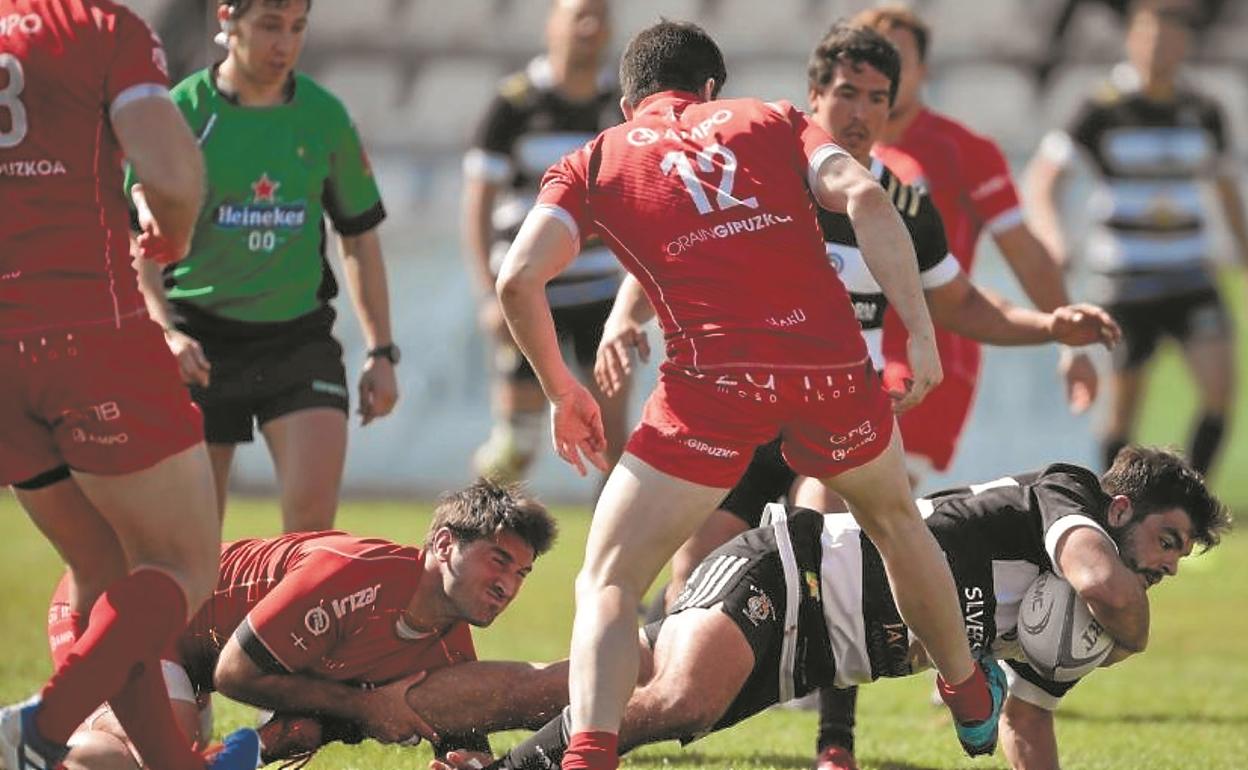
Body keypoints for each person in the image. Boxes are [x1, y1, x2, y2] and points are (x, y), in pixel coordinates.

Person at [497, 20, 1009, 769]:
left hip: (713, 387)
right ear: (710, 89)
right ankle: (967, 695)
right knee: (899, 526)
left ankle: (590, 755)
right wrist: (923, 338)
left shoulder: (595, 160)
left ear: (626, 100)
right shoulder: (770, 117)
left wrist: (560, 390)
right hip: (831, 374)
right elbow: (867, 198)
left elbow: (516, 280)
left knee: (609, 578)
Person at [601, 23, 1120, 618]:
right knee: (692, 575)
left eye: (878, 98)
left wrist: (1051, 326)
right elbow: (682, 245)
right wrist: (623, 317)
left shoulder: (902, 206)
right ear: (814, 96)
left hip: (837, 411)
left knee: (820, 546)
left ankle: (841, 708)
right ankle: (676, 696)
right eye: (847, 93)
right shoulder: (761, 174)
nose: (862, 112)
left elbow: (964, 305)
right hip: (747, 408)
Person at [433, 446, 1228, 770]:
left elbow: (1026, 720)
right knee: (677, 700)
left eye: (1180, 557)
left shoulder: (1081, 635)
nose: (1166, 564)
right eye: (1168, 539)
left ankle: (393, 707)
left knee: (588, 687)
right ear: (1120, 508)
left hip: (812, 651)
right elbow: (1103, 583)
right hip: (790, 571)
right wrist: (1137, 636)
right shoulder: (1070, 495)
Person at [0, 0, 260, 768]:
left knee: (102, 571)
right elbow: (173, 176)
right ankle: (38, 732)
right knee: (182, 564)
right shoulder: (98, 28)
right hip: (88, 325)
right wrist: (171, 234)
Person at [43, 480, 563, 770]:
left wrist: (466, 764)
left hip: (188, 656)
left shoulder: (449, 642)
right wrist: (364, 706)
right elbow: (235, 674)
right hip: (122, 602)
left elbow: (460, 740)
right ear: (445, 545)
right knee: (148, 760)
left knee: (272, 734)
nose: (508, 586)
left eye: (521, 573)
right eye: (498, 561)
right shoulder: (352, 574)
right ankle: (26, 743)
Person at [132, 0, 398, 532]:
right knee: (192, 542)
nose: (285, 44)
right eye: (270, 26)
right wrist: (164, 332)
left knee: (310, 540)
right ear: (227, 21)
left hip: (297, 341)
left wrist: (381, 352)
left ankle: (275, 619)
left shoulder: (324, 116)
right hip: (198, 341)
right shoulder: (182, 112)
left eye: (297, 28)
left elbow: (360, 240)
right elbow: (139, 244)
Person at [848, 4, 1100, 487]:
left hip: (929, 355)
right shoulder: (831, 151)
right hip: (844, 350)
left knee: (866, 504)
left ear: (924, 69)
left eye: (898, 58)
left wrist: (1071, 343)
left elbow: (1024, 250)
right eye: (873, 58)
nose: (886, 72)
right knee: (820, 514)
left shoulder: (964, 151)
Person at [1026, 0, 1248, 478]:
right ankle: (1116, 511)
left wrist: (1244, 253)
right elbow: (1043, 180)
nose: (1158, 48)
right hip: (1125, 278)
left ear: (1183, 44)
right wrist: (1052, 236)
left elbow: (1226, 187)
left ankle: (1189, 509)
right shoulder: (1102, 107)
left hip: (1190, 273)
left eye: (1169, 38)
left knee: (1220, 390)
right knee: (1122, 409)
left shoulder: (1203, 109)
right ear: (1131, 40)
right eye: (1148, 37)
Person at [462, 0, 629, 486]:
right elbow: (477, 204)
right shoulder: (513, 105)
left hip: (599, 290)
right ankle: (476, 543)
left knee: (612, 437)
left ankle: (611, 557)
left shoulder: (618, 104)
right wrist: (488, 293)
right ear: (552, 24)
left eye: (599, 16)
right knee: (517, 448)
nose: (590, 26)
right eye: (579, 14)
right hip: (532, 291)